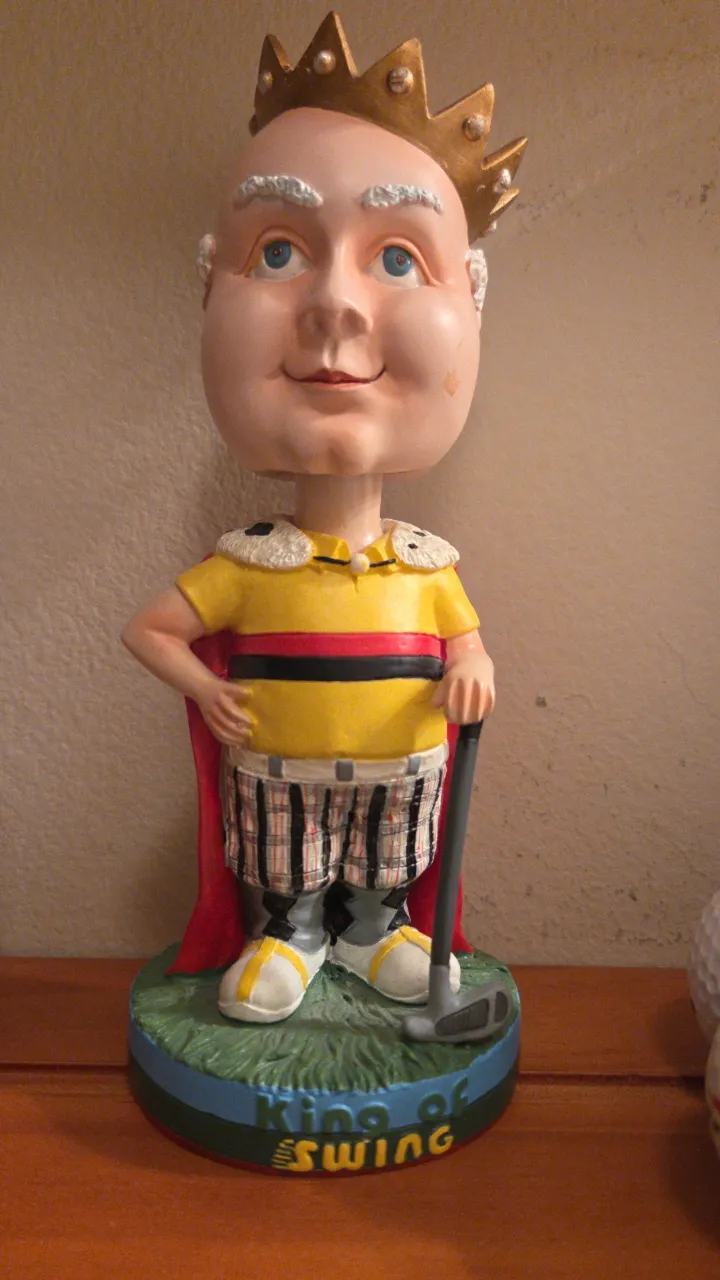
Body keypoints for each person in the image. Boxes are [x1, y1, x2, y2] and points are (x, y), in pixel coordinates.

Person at [122, 13, 525, 1025]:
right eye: (278, 251)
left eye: (399, 259)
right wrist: (205, 688)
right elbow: (151, 630)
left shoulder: (425, 565)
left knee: (387, 853)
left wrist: (473, 663)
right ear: (207, 283)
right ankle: (293, 930)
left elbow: (464, 635)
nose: (337, 305)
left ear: (474, 300)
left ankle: (377, 926)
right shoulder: (249, 564)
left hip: (401, 767)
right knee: (288, 855)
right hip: (279, 767)